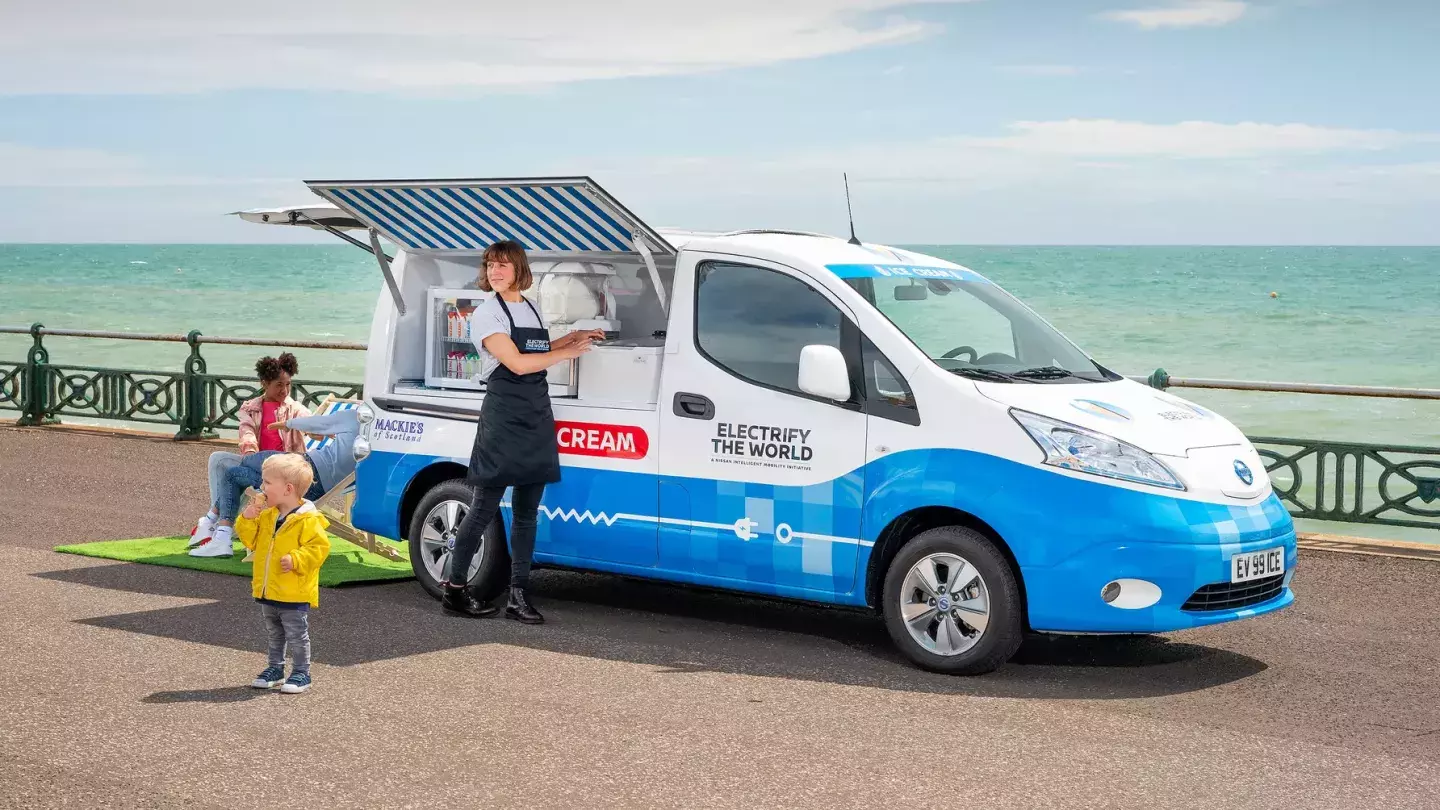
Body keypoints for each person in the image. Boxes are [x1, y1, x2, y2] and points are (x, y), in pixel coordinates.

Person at [441, 240, 600, 623]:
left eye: (502, 266)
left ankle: (518, 595)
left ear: (519, 270)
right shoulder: (485, 314)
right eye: (490, 265)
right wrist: (565, 354)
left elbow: (537, 348)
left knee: (528, 513)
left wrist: (575, 337)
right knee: (482, 509)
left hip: (535, 412)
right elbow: (516, 362)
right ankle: (455, 590)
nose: (494, 272)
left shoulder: (528, 306)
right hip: (503, 415)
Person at [195, 405, 362, 560]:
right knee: (234, 474)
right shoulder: (382, 439)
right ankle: (220, 533)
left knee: (246, 463)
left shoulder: (356, 416)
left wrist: (287, 424)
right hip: (315, 487)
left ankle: (211, 523)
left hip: (304, 470)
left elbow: (316, 422)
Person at [189, 353, 309, 554]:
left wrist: (320, 430)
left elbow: (309, 422)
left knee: (234, 473)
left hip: (284, 474)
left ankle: (213, 522)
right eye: (279, 385)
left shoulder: (295, 409)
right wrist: (251, 452)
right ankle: (218, 521)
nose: (285, 390)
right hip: (258, 468)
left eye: (288, 384)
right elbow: (246, 433)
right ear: (265, 383)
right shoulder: (251, 408)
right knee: (218, 459)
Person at [236, 453, 332, 694]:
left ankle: (302, 672)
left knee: (297, 634)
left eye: (267, 483)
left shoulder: (308, 520)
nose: (262, 487)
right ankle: (275, 668)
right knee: (274, 632)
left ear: (288, 489)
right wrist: (246, 520)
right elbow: (252, 541)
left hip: (293, 591)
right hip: (269, 587)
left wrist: (296, 559)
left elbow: (319, 549)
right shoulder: (268, 515)